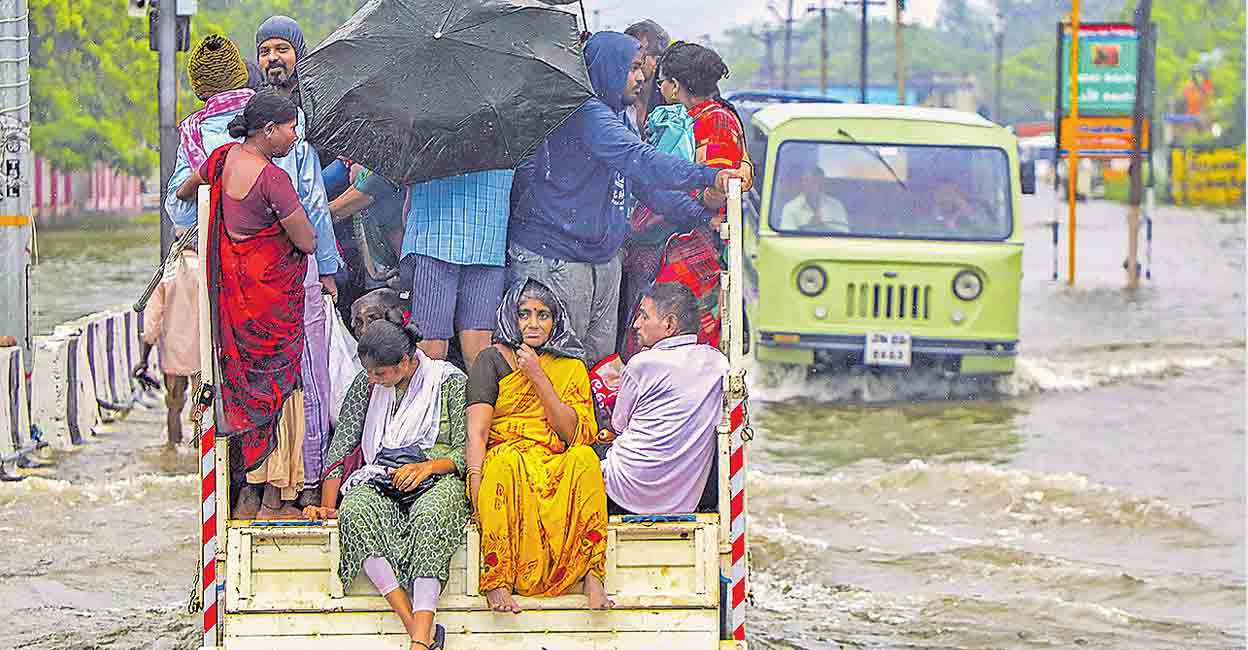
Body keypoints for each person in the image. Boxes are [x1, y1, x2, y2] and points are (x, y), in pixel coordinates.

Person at [508, 31, 751, 366]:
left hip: (600, 256)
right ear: (608, 69)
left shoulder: (618, 116)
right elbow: (643, 160)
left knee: (599, 364)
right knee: (558, 362)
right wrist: (710, 175)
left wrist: (698, 216)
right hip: (558, 255)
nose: (642, 78)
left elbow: (645, 189)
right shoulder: (586, 113)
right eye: (633, 68)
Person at [176, 89, 315, 519]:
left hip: (234, 307)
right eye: (291, 127)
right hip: (273, 307)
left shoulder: (220, 160)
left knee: (242, 386)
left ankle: (245, 492)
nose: (294, 135)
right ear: (270, 130)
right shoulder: (275, 180)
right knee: (280, 389)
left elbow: (185, 191)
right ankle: (276, 493)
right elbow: (307, 240)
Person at [306, 317, 468, 650]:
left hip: (438, 477)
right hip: (381, 475)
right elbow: (343, 444)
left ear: (407, 362)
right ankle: (417, 630)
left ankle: (419, 641)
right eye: (369, 372)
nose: (372, 380)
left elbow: (469, 449)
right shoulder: (366, 384)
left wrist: (428, 467)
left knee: (432, 516)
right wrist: (328, 503)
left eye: (380, 373)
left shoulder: (450, 382)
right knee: (355, 510)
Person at [464, 279, 611, 613]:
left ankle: (591, 575)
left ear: (556, 321)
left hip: (554, 455)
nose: (533, 324)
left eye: (543, 315)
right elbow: (478, 430)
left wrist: (537, 376)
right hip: (511, 454)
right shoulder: (491, 359)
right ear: (509, 317)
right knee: (501, 464)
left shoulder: (570, 365)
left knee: (585, 459)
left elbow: (573, 433)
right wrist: (474, 481)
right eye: (524, 314)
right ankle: (498, 580)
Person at [254, 15, 342, 506]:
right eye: (265, 51)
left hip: (307, 261)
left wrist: (327, 267)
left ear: (298, 53)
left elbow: (315, 200)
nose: (273, 60)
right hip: (279, 268)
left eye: (281, 50)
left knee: (310, 372)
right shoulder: (253, 114)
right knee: (286, 372)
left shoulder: (320, 109)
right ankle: (287, 478)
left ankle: (310, 475)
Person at [620, 42, 750, 359]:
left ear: (675, 86)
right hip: (664, 245)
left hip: (689, 250)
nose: (659, 87)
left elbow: (717, 188)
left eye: (663, 81)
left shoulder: (714, 120)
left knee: (679, 341)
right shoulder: (683, 118)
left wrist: (691, 193)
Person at [601, 282, 728, 515]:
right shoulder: (716, 362)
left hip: (622, 489)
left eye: (643, 316)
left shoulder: (641, 364)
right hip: (683, 502)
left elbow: (619, 425)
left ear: (669, 324)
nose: (636, 324)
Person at [134, 233, 201, 448]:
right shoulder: (207, 270)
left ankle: (173, 449)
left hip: (172, 353)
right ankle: (202, 453)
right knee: (203, 406)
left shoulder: (165, 273)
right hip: (202, 352)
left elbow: (152, 321)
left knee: (174, 405)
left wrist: (143, 358)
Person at [623, 20, 671, 136]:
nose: (636, 56)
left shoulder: (670, 99)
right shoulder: (617, 96)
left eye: (643, 52)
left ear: (657, 59)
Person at [777, 167, 850, 233]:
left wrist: (823, 228)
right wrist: (809, 228)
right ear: (801, 183)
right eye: (806, 181)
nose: (809, 185)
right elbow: (788, 238)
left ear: (822, 184)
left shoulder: (835, 205)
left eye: (814, 182)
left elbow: (845, 233)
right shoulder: (790, 208)